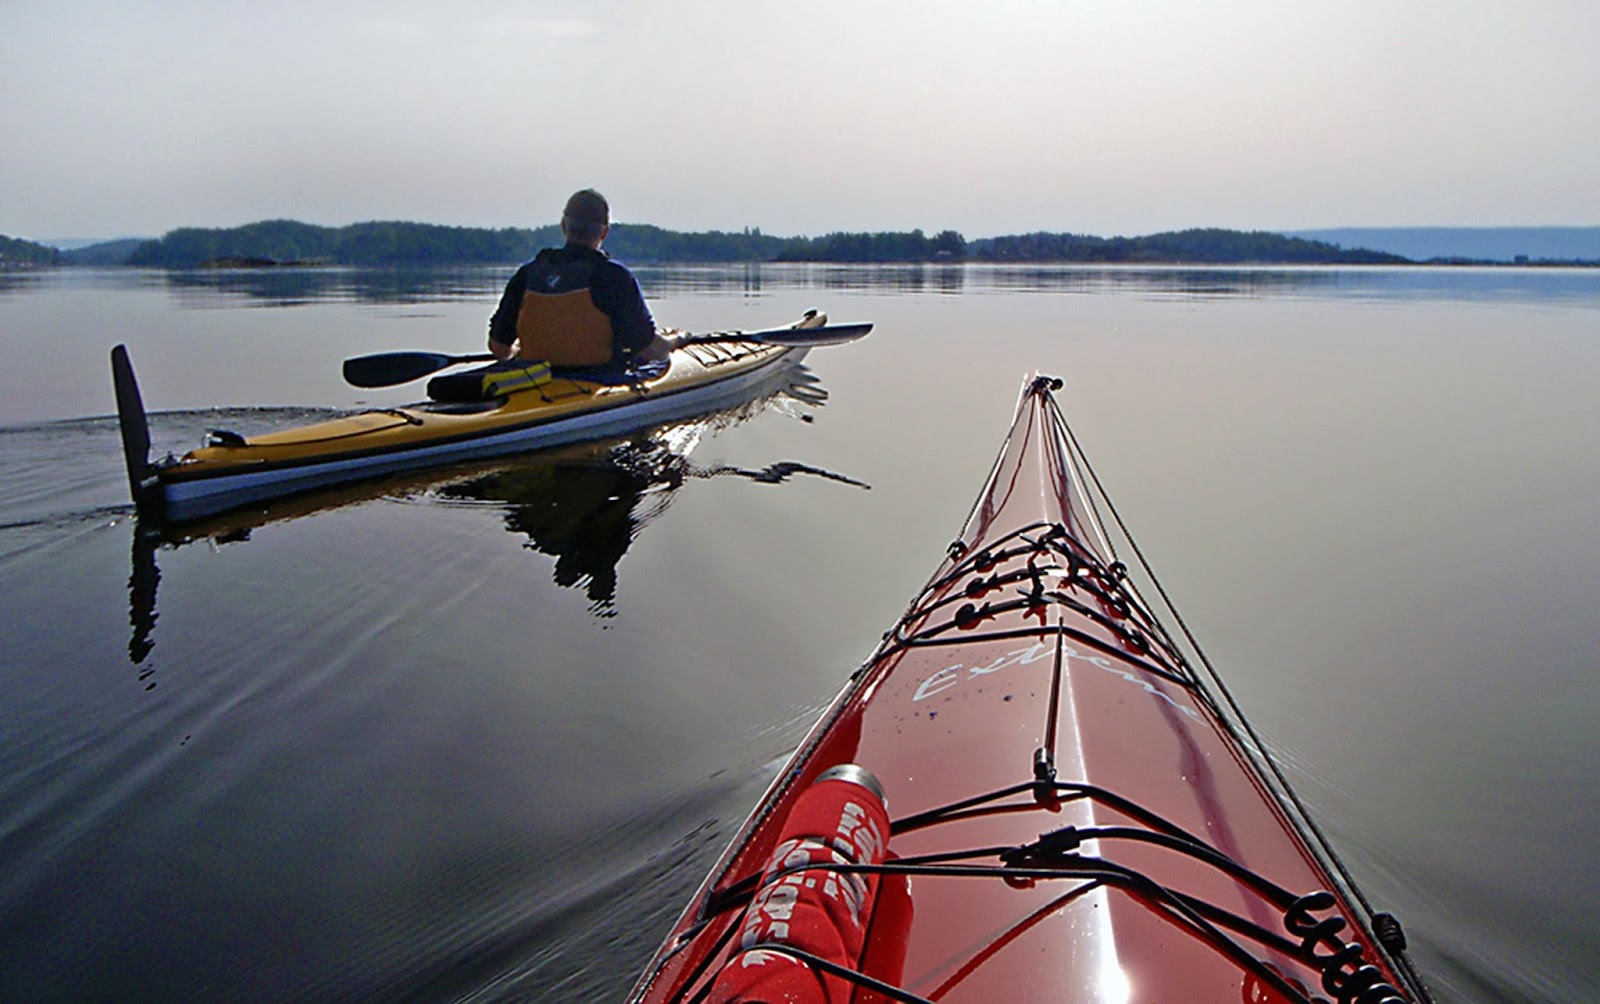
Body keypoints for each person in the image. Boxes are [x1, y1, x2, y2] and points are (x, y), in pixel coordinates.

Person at [486, 189, 674, 372]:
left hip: (536, 383)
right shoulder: (613, 276)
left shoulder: (528, 273)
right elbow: (649, 349)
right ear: (604, 232)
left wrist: (517, 353)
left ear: (564, 226)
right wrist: (676, 341)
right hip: (598, 382)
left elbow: (499, 348)